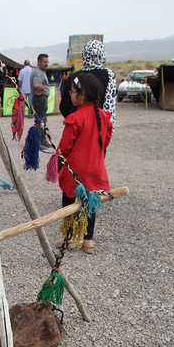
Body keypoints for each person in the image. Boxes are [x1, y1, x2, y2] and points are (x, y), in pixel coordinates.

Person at [57, 72, 112, 255]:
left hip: (76, 170)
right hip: (95, 168)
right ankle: (88, 241)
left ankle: (70, 237)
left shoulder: (75, 118)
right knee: (91, 202)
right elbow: (105, 141)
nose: (70, 95)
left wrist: (58, 157)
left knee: (69, 198)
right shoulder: (103, 116)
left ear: (82, 94)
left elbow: (64, 148)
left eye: (71, 91)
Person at [60, 39, 117, 129]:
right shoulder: (109, 76)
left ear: (84, 55)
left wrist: (73, 119)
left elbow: (64, 106)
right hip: (99, 127)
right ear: (102, 55)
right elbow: (110, 105)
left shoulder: (74, 77)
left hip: (76, 126)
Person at [30, 53, 52, 148]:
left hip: (41, 98)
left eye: (47, 62)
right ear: (39, 61)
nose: (46, 64)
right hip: (39, 98)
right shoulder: (38, 72)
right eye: (44, 62)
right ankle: (39, 141)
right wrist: (44, 90)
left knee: (42, 120)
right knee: (41, 121)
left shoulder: (41, 71)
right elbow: (36, 84)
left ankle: (43, 140)